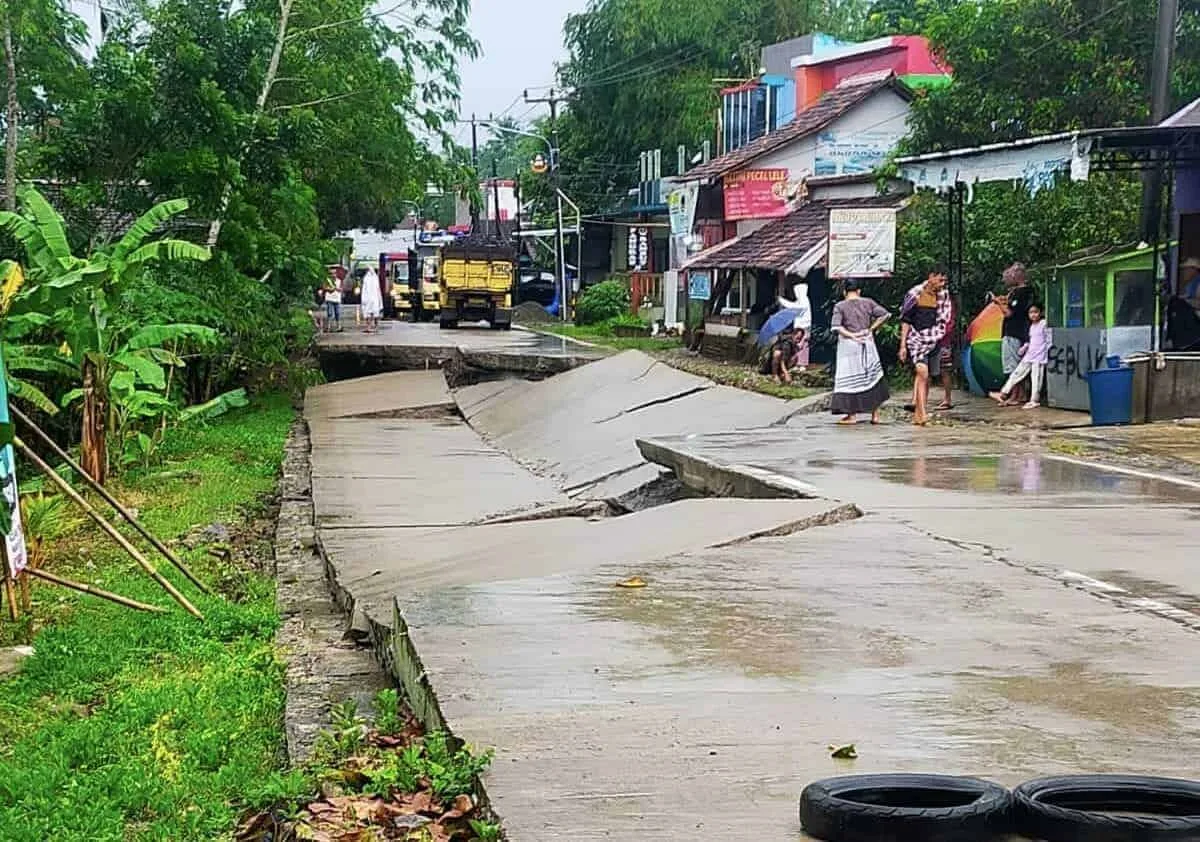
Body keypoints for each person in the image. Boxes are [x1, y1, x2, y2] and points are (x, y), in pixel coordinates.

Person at [831, 279, 891, 425]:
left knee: (850, 379)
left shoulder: (840, 306)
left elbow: (836, 327)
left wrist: (851, 335)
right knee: (872, 377)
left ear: (845, 292)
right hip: (867, 342)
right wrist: (871, 329)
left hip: (849, 345)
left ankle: (851, 415)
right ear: (859, 291)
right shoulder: (868, 302)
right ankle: (875, 415)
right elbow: (885, 315)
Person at [899, 264, 952, 426]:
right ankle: (921, 413)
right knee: (922, 372)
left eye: (944, 281)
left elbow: (944, 319)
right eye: (940, 279)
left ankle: (920, 413)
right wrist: (902, 345)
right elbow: (906, 320)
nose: (942, 284)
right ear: (931, 276)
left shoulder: (943, 296)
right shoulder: (915, 294)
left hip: (934, 339)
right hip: (916, 339)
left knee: (926, 377)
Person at [990, 303, 1050, 409]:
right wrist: (1025, 347)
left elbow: (1048, 339)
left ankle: (1034, 400)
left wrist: (1046, 351)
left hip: (1039, 357)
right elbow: (1031, 340)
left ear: (1041, 313)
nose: (1033, 315)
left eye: (1036, 312)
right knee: (1016, 374)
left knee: (1036, 379)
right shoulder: (1031, 326)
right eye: (1031, 313)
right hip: (1029, 355)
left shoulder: (1043, 324)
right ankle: (1003, 393)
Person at [991, 262, 1034, 406]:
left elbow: (1010, 313)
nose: (1006, 279)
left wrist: (999, 304)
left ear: (1017, 275)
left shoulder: (1022, 293)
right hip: (1017, 332)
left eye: (1009, 275)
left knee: (1013, 365)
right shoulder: (1019, 292)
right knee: (1015, 365)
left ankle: (1017, 395)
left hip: (1014, 333)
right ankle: (1017, 394)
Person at [359, 268, 383, 334]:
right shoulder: (374, 278)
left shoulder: (368, 278)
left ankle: (370, 327)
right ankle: (374, 327)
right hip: (373, 298)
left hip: (370, 298)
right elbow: (378, 290)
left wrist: (363, 299)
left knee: (369, 313)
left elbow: (365, 289)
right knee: (373, 313)